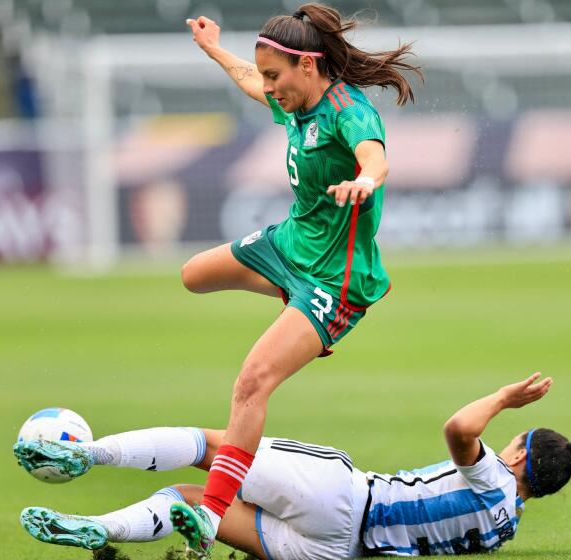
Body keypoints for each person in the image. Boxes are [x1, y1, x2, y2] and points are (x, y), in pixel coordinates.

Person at [153, 3, 422, 557]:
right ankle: (295, 305)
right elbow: (254, 81)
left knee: (251, 382)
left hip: (333, 277)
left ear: (308, 65)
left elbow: (376, 158)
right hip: (290, 246)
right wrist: (214, 50)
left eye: (277, 76)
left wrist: (365, 183)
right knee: (192, 276)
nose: (270, 89)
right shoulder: (294, 100)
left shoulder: (351, 113)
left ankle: (210, 517)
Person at [14, 373, 571, 558]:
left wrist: (502, 398)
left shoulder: (491, 481)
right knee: (192, 498)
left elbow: (459, 429)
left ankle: (84, 453)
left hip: (346, 496)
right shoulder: (502, 530)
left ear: (518, 455)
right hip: (333, 551)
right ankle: (102, 529)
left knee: (217, 446)